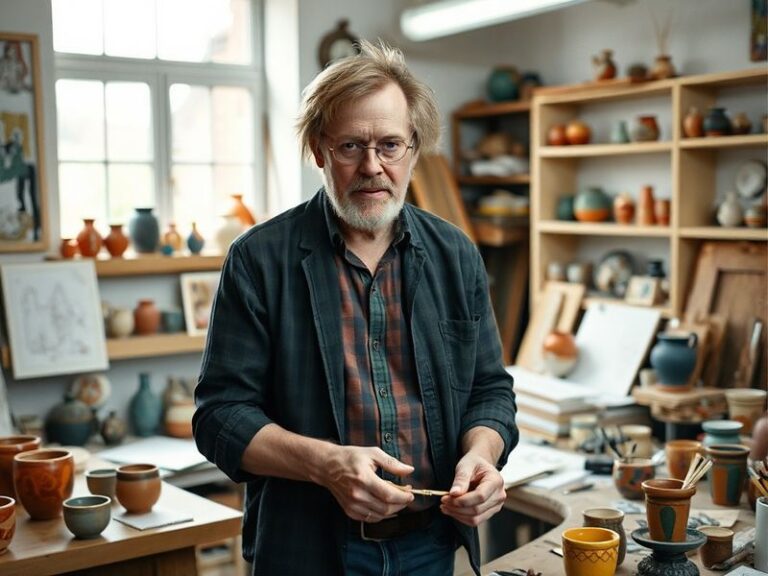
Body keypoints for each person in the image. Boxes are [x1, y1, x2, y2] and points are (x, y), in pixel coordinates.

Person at [193, 40, 518, 576]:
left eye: (390, 145)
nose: (373, 166)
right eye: (350, 147)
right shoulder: (258, 259)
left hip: (430, 545)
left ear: (414, 149)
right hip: (307, 549)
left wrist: (482, 455)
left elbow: (489, 389)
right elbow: (219, 416)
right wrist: (328, 466)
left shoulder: (455, 254)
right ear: (319, 150)